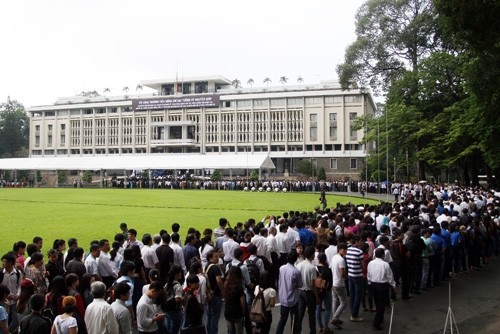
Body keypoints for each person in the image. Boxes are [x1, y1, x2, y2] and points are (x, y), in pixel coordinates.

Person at [368, 248, 396, 331]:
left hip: (373, 284)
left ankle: (380, 318)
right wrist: (393, 286)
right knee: (381, 305)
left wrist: (369, 283)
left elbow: (369, 274)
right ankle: (376, 323)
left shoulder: (370, 263)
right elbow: (390, 277)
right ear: (383, 255)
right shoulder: (385, 264)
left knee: (377, 303)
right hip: (382, 286)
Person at [276, 250, 301, 334]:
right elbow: (300, 285)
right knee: (294, 320)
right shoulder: (296, 272)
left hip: (283, 297)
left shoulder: (282, 268)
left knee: (282, 319)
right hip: (292, 299)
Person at [296, 245, 319, 334]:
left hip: (300, 291)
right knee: (311, 314)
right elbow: (313, 284)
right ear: (312, 255)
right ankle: (312, 331)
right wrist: (316, 296)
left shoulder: (299, 265)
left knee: (300, 313)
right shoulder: (312, 267)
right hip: (309, 293)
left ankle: (298, 331)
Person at [346, 235, 364, 322]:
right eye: (360, 241)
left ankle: (352, 311)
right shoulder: (359, 252)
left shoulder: (348, 250)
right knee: (358, 295)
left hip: (350, 274)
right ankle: (354, 314)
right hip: (358, 275)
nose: (361, 243)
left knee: (352, 294)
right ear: (356, 241)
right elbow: (362, 265)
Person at [205, 250, 224, 334]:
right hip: (216, 294)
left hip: (209, 294)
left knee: (209, 316)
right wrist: (223, 291)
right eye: (215, 256)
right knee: (215, 317)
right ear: (210, 258)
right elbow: (219, 281)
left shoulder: (206, 266)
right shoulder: (216, 267)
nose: (218, 258)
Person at [223, 266, 246, 334]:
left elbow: (224, 298)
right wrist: (243, 311)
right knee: (239, 331)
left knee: (231, 331)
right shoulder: (239, 287)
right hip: (237, 312)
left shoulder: (226, 284)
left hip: (228, 312)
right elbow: (242, 301)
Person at [331, 243, 348, 329]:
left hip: (333, 282)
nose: (345, 251)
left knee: (335, 300)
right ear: (339, 249)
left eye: (345, 249)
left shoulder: (334, 257)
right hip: (339, 284)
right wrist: (347, 277)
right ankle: (335, 318)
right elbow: (342, 274)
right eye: (343, 249)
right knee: (344, 303)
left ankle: (335, 317)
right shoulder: (341, 260)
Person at [315, 252, 333, 333]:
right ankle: (326, 327)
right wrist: (328, 289)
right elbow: (330, 282)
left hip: (318, 291)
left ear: (318, 260)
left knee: (318, 308)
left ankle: (320, 326)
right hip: (326, 290)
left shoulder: (315, 269)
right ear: (325, 259)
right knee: (328, 308)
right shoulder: (328, 270)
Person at [163, 265, 184, 334]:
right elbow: (178, 298)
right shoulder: (177, 285)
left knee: (169, 327)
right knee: (174, 329)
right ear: (176, 274)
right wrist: (183, 297)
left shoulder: (167, 284)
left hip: (167, 309)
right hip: (175, 310)